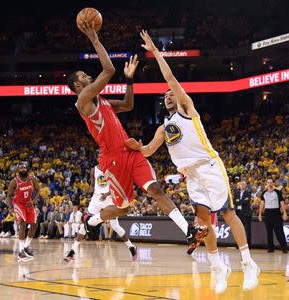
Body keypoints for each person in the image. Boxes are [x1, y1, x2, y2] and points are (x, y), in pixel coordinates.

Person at [127, 30, 259, 294]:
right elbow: (149, 150)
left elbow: (169, 77)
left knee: (227, 213)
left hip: (209, 166)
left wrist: (155, 51)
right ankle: (218, 267)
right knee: (202, 222)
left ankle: (248, 263)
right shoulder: (164, 128)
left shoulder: (188, 109)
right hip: (192, 175)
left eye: (171, 94)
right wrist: (134, 148)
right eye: (165, 96)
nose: (168, 96)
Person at [67, 22, 207, 254]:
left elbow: (129, 104)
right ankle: (90, 221)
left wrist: (129, 80)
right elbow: (109, 70)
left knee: (156, 191)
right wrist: (94, 39)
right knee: (122, 209)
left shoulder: (102, 101)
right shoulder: (83, 101)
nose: (88, 75)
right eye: (83, 75)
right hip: (112, 161)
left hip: (131, 153)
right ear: (77, 85)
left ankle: (189, 232)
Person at [64, 165, 137, 261]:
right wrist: (87, 192)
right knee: (86, 224)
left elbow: (117, 187)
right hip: (96, 199)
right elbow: (92, 186)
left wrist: (106, 194)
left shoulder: (113, 168)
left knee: (115, 226)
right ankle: (72, 251)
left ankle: (131, 247)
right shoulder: (93, 170)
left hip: (110, 198)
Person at [6, 162, 40, 262]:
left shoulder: (32, 178)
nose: (24, 169)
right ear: (17, 170)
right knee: (23, 224)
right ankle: (21, 252)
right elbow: (8, 196)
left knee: (34, 224)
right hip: (18, 204)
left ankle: (26, 247)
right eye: (21, 168)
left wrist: (33, 201)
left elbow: (38, 190)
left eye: (25, 167)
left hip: (29, 203)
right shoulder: (14, 182)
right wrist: (10, 208)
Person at [259, 179, 288, 253]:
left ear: (273, 183)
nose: (269, 184)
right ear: (266, 184)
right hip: (267, 212)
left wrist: (284, 213)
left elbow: (282, 203)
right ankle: (270, 248)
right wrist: (260, 214)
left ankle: (284, 248)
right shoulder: (264, 193)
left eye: (271, 182)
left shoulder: (277, 192)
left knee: (279, 231)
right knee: (269, 231)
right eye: (268, 182)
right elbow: (262, 204)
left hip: (276, 212)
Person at [234, 180, 253, 245]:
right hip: (239, 213)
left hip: (246, 213)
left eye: (243, 184)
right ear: (239, 185)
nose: (242, 185)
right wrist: (241, 201)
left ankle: (248, 244)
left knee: (247, 230)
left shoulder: (248, 192)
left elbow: (246, 202)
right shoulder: (236, 193)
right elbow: (235, 202)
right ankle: (239, 244)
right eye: (241, 184)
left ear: (246, 185)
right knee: (239, 229)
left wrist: (239, 201)